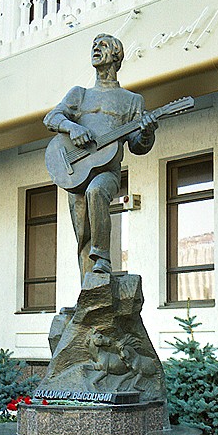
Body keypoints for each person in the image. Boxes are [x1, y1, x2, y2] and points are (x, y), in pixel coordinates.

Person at [44, 33, 157, 283]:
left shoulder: (131, 100)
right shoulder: (79, 94)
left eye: (103, 46)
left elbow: (138, 146)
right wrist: (72, 128)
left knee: (96, 192)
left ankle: (103, 259)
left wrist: (147, 132)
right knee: (83, 234)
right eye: (94, 45)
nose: (96, 48)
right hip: (75, 171)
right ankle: (90, 291)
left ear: (116, 56)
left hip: (107, 172)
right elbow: (51, 118)